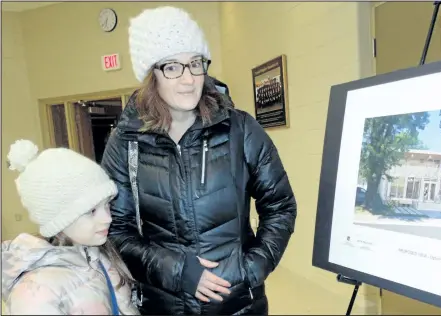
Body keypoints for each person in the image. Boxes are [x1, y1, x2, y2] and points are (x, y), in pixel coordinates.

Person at [101, 6, 297, 315]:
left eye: (195, 63)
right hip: (163, 305)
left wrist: (249, 270)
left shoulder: (240, 129)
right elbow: (116, 230)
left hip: (237, 305)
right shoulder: (126, 140)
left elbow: (281, 206)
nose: (188, 79)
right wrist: (180, 272)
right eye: (172, 67)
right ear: (151, 74)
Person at [1, 139, 140, 315]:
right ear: (59, 219)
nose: (108, 218)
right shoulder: (35, 294)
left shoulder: (100, 257)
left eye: (107, 205)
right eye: (91, 211)